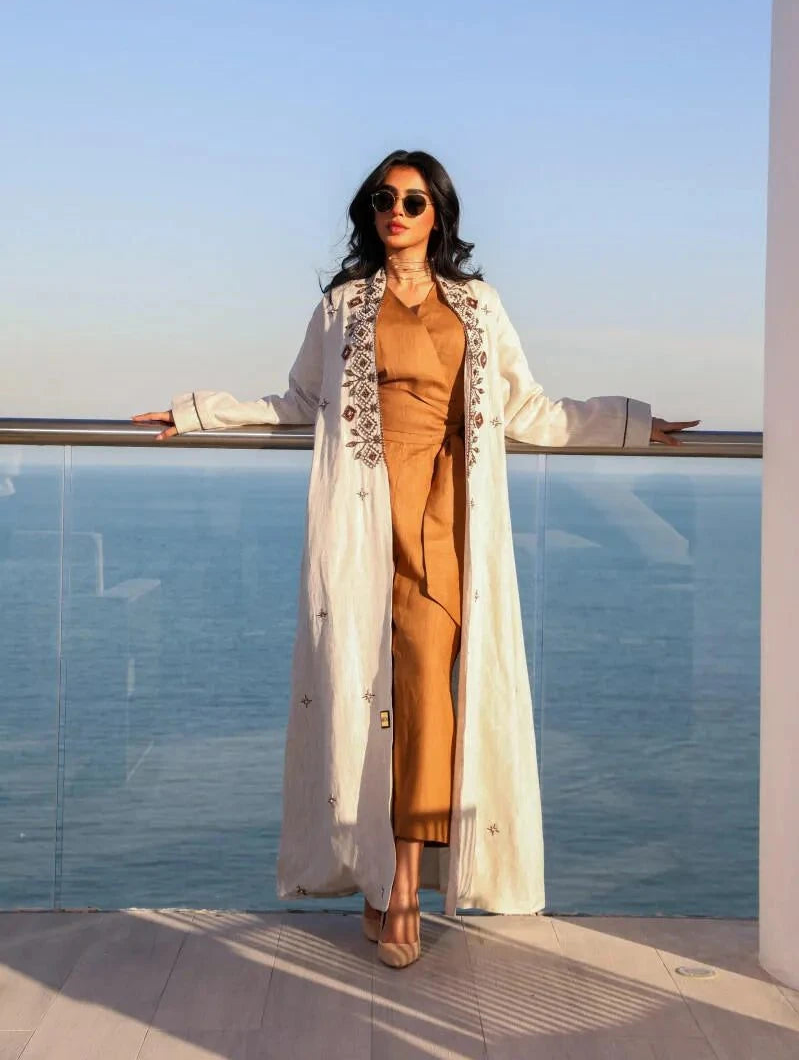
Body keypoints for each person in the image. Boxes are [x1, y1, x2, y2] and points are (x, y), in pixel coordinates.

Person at [133, 149, 699, 969]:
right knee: (363, 701)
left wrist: (632, 421)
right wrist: (197, 412)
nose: (396, 210)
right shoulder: (340, 308)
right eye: (383, 199)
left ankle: (404, 881)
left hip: (443, 521)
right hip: (358, 523)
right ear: (369, 212)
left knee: (428, 699)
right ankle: (374, 879)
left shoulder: (477, 305)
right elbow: (298, 403)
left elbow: (528, 408)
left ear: (439, 214)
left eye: (413, 199)